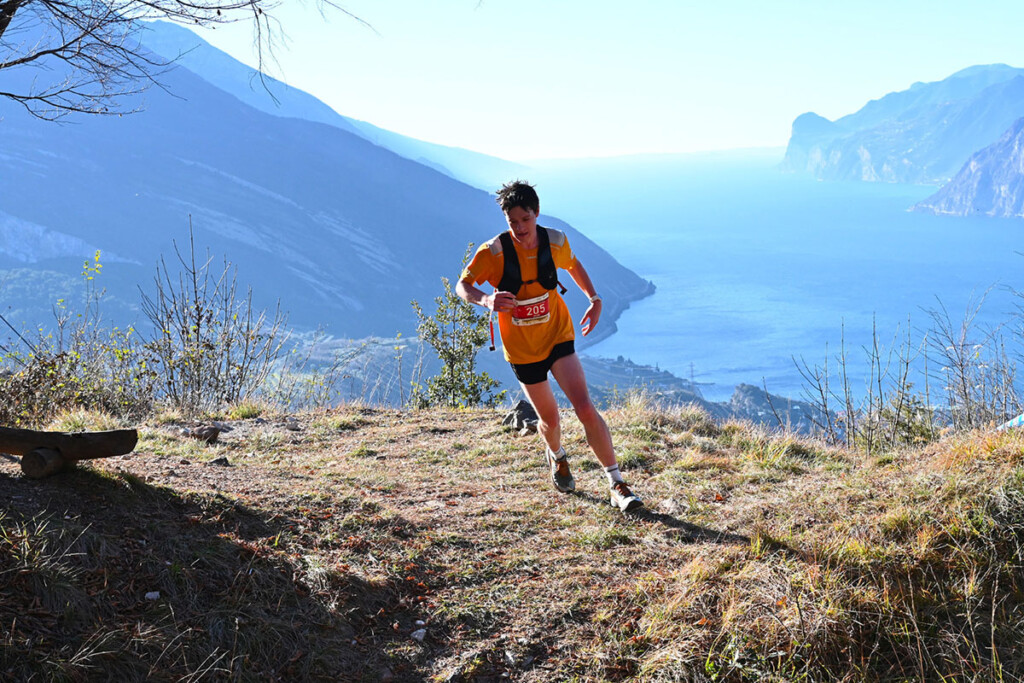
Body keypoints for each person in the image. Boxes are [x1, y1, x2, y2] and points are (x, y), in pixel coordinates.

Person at [456, 180, 643, 512]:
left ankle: (617, 483)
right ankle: (557, 456)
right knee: (551, 420)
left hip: (557, 334)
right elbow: (462, 285)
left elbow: (573, 265)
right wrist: (486, 299)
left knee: (585, 407)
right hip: (522, 350)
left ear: (536, 213)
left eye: (525, 220)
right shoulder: (494, 252)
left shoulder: (555, 241)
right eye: (512, 222)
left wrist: (594, 298)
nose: (520, 229)